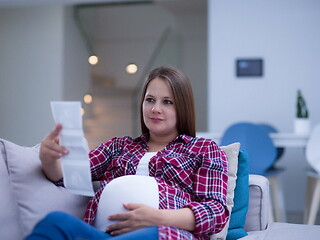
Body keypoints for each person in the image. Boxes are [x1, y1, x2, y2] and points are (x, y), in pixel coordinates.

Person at [26, 66, 229, 240]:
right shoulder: (119, 147)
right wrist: (48, 159)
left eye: (167, 102)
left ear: (183, 107)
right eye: (150, 100)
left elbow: (216, 212)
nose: (155, 109)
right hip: (104, 234)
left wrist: (157, 218)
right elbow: (69, 177)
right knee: (56, 222)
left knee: (159, 234)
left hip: (165, 233)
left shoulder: (203, 149)